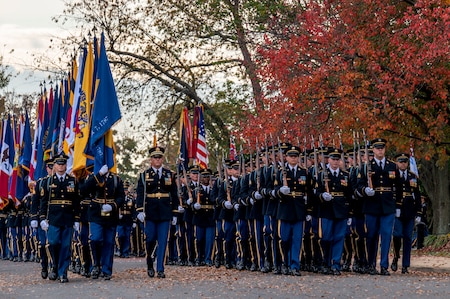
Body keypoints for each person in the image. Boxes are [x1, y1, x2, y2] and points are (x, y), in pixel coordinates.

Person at [356, 138, 401, 275]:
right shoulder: (366, 166)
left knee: (386, 236)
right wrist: (365, 191)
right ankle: (371, 264)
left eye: (382, 148)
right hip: (372, 205)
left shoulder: (392, 166)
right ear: (373, 150)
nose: (380, 150)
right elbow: (359, 184)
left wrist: (398, 205)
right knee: (371, 236)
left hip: (388, 206)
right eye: (377, 148)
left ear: (384, 149)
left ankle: (384, 265)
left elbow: (398, 187)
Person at [136, 146, 179, 278]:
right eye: (155, 157)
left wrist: (175, 212)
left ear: (162, 158)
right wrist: (139, 210)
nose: (157, 159)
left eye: (159, 157)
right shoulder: (144, 175)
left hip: (165, 212)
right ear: (151, 159)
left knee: (163, 240)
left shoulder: (169, 174)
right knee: (150, 239)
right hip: (150, 212)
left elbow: (174, 194)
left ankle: (160, 268)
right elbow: (140, 194)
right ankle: (150, 262)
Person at [39, 153, 81, 283]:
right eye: (58, 164)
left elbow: (76, 201)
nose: (61, 166)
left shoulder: (72, 181)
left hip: (68, 218)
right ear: (54, 166)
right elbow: (43, 201)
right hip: (53, 218)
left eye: (63, 164)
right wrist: (42, 218)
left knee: (65, 246)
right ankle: (54, 265)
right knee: (53, 242)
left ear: (66, 165)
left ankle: (63, 272)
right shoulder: (47, 182)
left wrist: (77, 219)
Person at [80, 164, 125, 280]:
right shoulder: (93, 177)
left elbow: (121, 197)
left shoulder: (116, 179)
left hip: (110, 214)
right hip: (95, 213)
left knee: (109, 242)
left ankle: (106, 270)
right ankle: (96, 264)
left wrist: (113, 206)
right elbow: (84, 190)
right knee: (95, 239)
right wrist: (99, 175)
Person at [274, 145, 313, 276]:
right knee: (284, 239)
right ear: (286, 158)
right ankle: (284, 263)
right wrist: (280, 191)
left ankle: (295, 265)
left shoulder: (304, 172)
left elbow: (308, 193)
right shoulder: (280, 172)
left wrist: (308, 211)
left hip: (299, 210)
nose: (293, 158)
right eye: (291, 156)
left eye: (295, 156)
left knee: (297, 239)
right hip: (285, 209)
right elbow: (273, 189)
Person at [316, 149, 353, 275]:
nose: (336, 162)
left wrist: (350, 213)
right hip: (327, 210)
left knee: (339, 238)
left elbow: (349, 195)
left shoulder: (345, 175)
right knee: (326, 237)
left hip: (341, 210)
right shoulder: (322, 175)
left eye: (338, 159)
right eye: (333, 159)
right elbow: (316, 192)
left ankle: (336, 264)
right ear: (329, 160)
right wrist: (322, 195)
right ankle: (326, 261)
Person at [391, 153, 422, 274]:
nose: (403, 164)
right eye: (401, 161)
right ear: (397, 163)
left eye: (405, 162)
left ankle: (405, 265)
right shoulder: (393, 176)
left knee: (408, 238)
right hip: (397, 209)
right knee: (397, 234)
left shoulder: (412, 176)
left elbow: (418, 196)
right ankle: (396, 256)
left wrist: (419, 212)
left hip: (410, 210)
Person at [192, 168, 216, 266]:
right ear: (200, 178)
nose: (206, 178)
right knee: (199, 239)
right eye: (204, 177)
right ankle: (199, 257)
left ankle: (208, 258)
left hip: (210, 217)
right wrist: (194, 205)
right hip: (199, 217)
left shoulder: (213, 189)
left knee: (210, 240)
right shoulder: (196, 190)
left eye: (207, 177)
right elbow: (191, 203)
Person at [117, 181, 135, 258]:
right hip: (120, 220)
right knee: (120, 235)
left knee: (127, 236)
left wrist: (134, 220)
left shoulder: (131, 199)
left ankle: (125, 252)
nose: (125, 191)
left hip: (128, 219)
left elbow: (133, 210)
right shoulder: (119, 198)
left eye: (126, 190)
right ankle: (120, 250)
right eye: (124, 190)